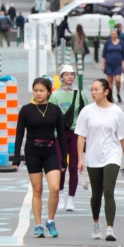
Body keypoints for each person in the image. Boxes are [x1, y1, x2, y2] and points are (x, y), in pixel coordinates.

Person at [75, 79, 124, 241]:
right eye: (91, 89)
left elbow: (123, 138)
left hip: (112, 155)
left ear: (106, 92)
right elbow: (81, 136)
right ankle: (96, 224)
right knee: (96, 193)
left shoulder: (117, 112)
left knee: (108, 190)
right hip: (92, 155)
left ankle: (110, 228)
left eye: (96, 89)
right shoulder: (86, 111)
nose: (93, 92)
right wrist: (80, 158)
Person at [12, 78, 68, 238]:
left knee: (55, 187)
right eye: (35, 90)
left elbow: (62, 136)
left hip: (50, 152)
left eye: (41, 90)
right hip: (32, 152)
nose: (38, 93)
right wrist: (16, 158)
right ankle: (37, 225)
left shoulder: (55, 110)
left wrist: (64, 158)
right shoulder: (26, 110)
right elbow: (19, 134)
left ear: (49, 92)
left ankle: (50, 221)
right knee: (37, 190)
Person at [48, 64, 89, 212]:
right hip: (59, 134)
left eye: (72, 74)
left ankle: (70, 199)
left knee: (74, 166)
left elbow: (86, 114)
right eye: (66, 74)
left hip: (75, 134)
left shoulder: (80, 94)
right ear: (61, 77)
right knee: (60, 166)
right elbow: (51, 115)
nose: (69, 77)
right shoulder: (55, 95)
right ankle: (60, 195)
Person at [101, 30, 124, 103]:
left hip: (118, 64)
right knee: (109, 81)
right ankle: (110, 95)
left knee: (117, 80)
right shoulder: (107, 43)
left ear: (117, 35)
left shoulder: (121, 43)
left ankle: (118, 93)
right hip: (109, 63)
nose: (113, 35)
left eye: (114, 34)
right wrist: (103, 64)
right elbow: (104, 55)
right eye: (112, 34)